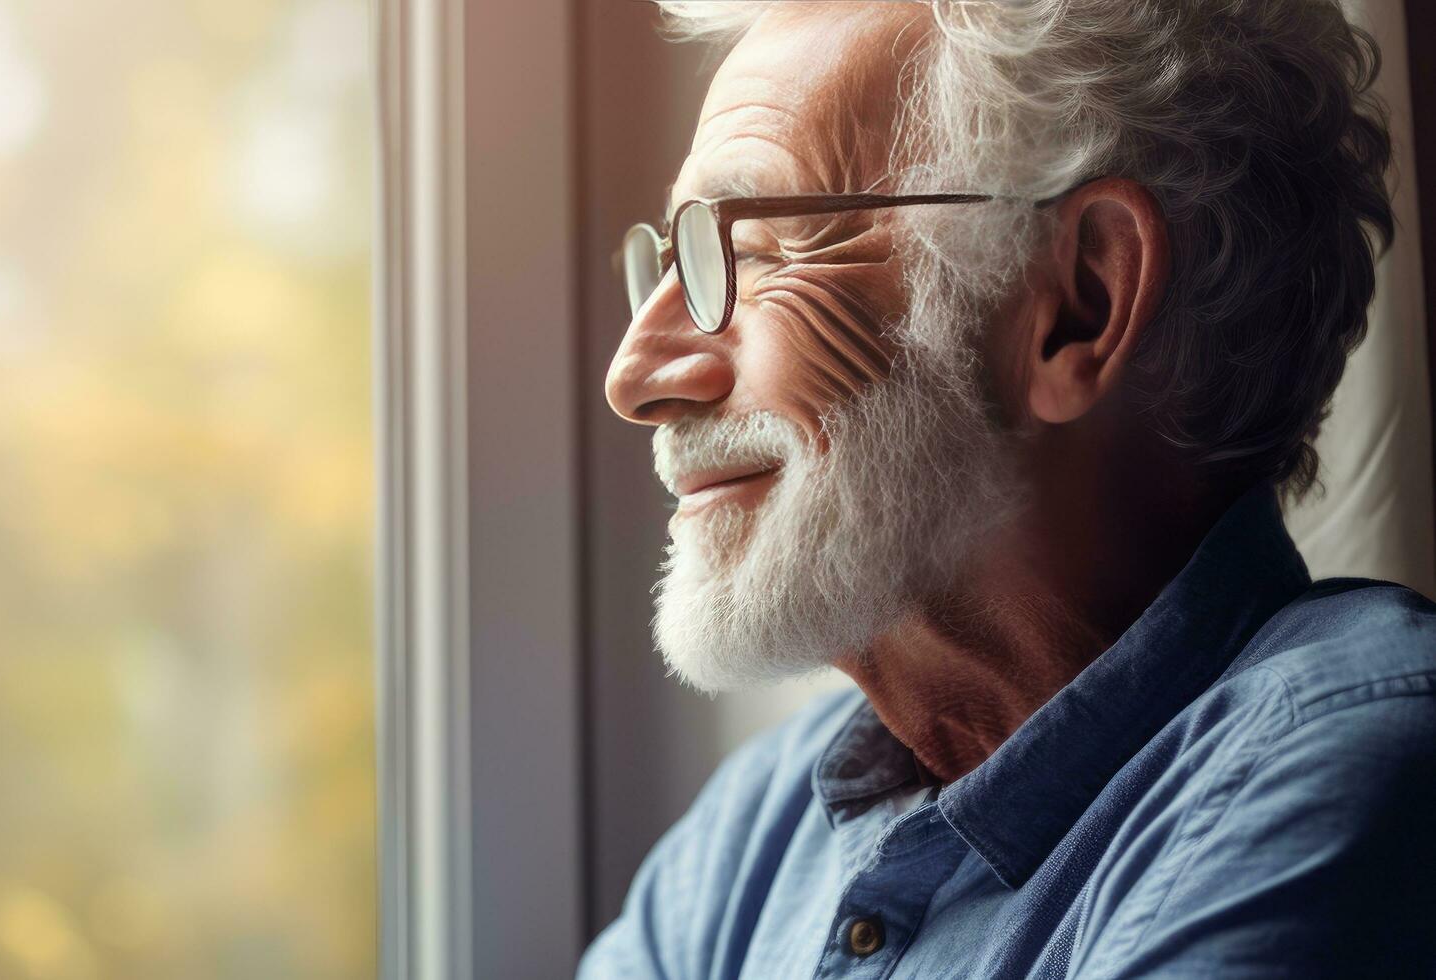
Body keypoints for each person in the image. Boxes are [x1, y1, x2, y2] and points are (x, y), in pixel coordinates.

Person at [583, 1, 1436, 976]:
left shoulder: (1336, 767)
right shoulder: (748, 832)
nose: (634, 373)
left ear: (1079, 302)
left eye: (751, 250)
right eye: (673, 259)